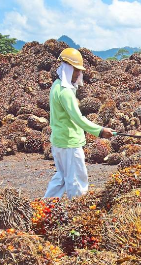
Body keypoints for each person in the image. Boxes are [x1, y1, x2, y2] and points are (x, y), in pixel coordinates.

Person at [44, 48, 114, 199]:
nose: (78, 74)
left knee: (61, 177)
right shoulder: (65, 92)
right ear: (68, 68)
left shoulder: (56, 85)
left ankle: (45, 204)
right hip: (70, 143)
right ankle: (78, 208)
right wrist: (100, 131)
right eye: (76, 70)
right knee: (77, 180)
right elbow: (78, 119)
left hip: (58, 141)